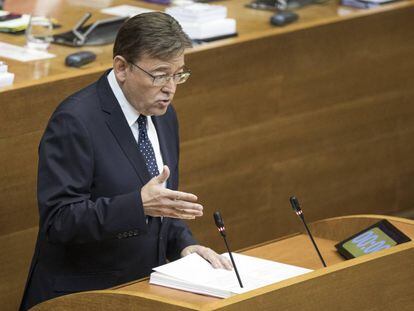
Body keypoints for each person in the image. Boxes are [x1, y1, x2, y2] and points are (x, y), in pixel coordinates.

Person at [20, 12, 231, 310]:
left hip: (140, 292)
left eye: (178, 74)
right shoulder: (75, 121)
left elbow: (161, 206)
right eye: (159, 75)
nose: (171, 87)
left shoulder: (164, 115)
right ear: (121, 67)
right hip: (81, 297)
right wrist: (137, 205)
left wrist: (184, 244)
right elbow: (59, 221)